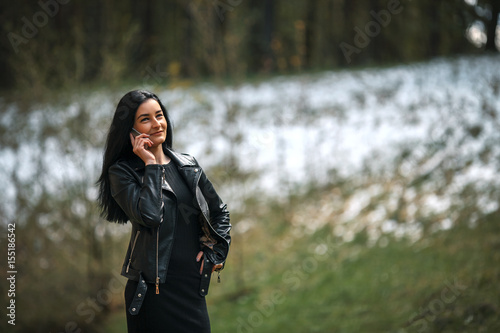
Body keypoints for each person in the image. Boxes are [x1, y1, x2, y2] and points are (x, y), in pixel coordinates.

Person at [96, 90, 231, 333]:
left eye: (159, 115)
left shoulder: (187, 165)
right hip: (153, 295)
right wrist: (151, 165)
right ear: (131, 130)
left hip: (191, 290)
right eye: (145, 119)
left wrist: (215, 254)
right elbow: (150, 216)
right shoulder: (123, 173)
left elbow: (219, 212)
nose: (157, 124)